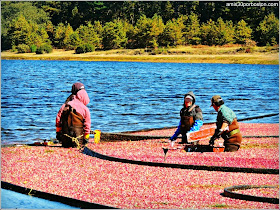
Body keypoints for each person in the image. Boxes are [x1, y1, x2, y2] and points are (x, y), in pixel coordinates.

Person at [56, 83, 91, 148]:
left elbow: (58, 121)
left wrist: (58, 133)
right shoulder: (85, 109)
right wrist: (86, 138)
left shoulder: (64, 106)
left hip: (65, 142)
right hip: (78, 142)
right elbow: (87, 126)